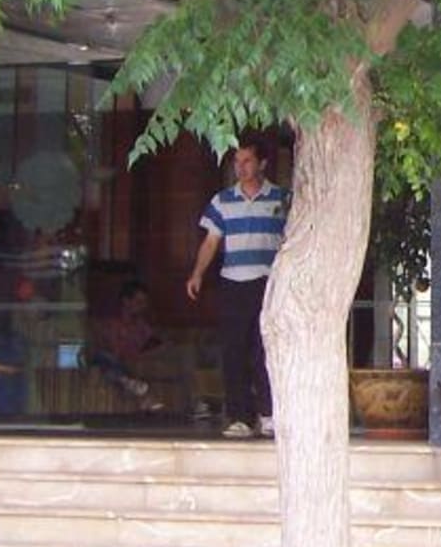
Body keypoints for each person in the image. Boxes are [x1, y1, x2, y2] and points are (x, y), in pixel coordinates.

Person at [186, 140, 289, 439]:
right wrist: (197, 274)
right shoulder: (222, 201)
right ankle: (240, 417)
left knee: (265, 350)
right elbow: (211, 242)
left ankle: (268, 414)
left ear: (262, 164)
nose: (240, 168)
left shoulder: (282, 199)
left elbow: (293, 239)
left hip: (267, 284)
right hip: (232, 283)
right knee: (233, 352)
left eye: (247, 161)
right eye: (237, 161)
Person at [81, 280, 165, 412]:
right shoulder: (112, 323)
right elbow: (112, 349)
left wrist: (148, 352)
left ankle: (126, 381)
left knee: (111, 367)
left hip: (125, 363)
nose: (143, 306)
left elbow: (156, 345)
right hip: (109, 360)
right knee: (104, 358)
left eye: (145, 302)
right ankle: (135, 388)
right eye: (139, 302)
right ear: (126, 301)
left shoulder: (143, 327)